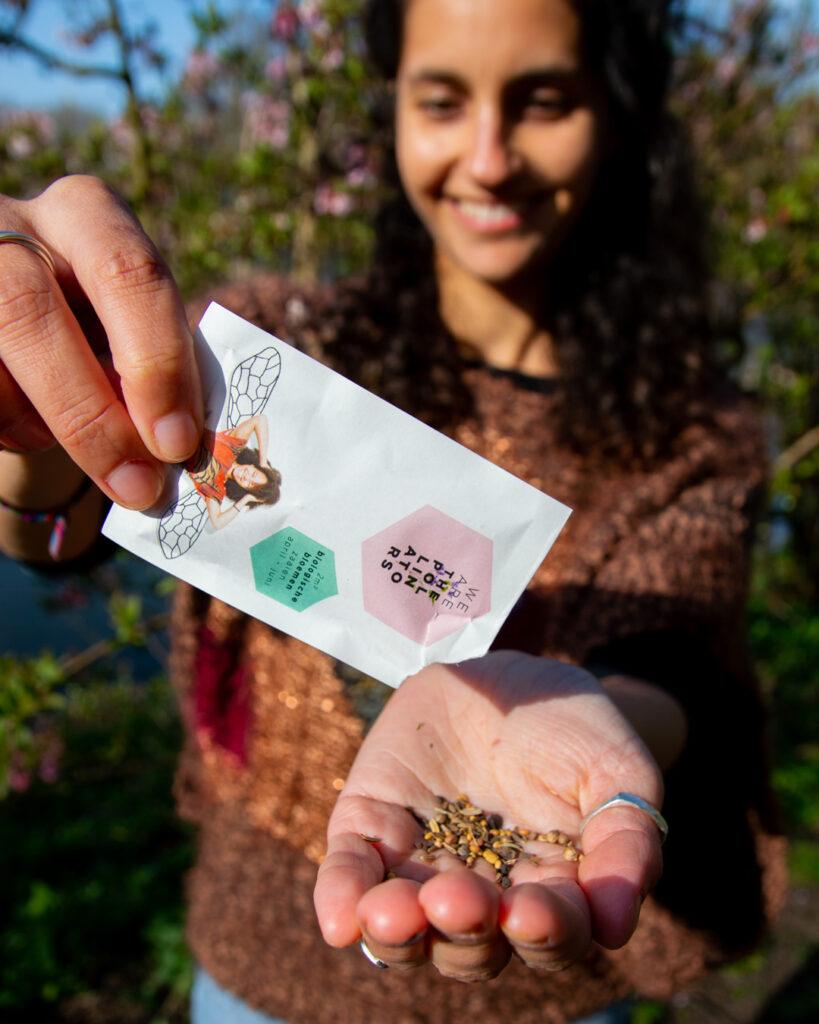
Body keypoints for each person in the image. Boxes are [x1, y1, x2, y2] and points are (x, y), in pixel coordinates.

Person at [0, 0, 787, 1022]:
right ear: (394, 115)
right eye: (442, 100)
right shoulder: (273, 348)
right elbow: (57, 533)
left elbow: (670, 651)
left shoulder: (691, 428)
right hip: (256, 973)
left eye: (543, 99)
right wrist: (33, 426)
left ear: (617, 116)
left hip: (547, 983)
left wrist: (586, 731)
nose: (489, 156)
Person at [185, 414, 282, 531]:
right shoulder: (234, 445)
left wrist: (246, 499)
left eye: (250, 484)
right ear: (253, 466)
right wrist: (263, 462)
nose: (246, 477)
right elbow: (260, 419)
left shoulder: (215, 486)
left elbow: (217, 523)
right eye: (254, 474)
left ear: (244, 490)